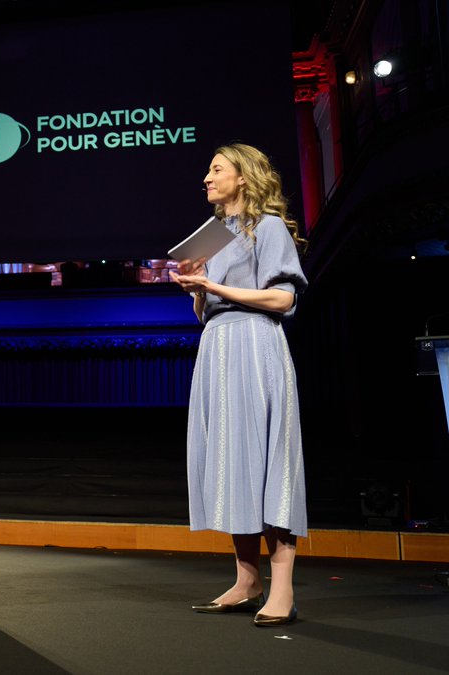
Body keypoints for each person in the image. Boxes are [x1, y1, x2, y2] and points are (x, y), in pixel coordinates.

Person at [169, 143, 308, 627]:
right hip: (218, 347)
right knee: (230, 461)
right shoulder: (214, 237)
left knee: (268, 462)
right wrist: (196, 286)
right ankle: (247, 580)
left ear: (243, 178)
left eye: (216, 169)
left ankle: (283, 588)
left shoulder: (266, 228)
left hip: (255, 345)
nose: (206, 178)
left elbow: (281, 298)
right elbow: (207, 310)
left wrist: (214, 286)